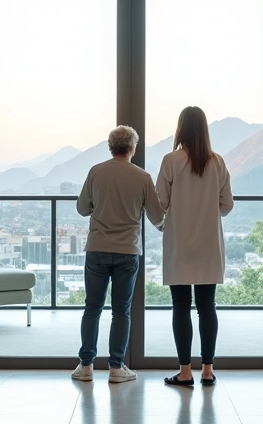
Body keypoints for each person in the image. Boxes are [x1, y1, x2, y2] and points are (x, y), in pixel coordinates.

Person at [72, 125, 164, 383]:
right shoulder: (143, 177)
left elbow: (82, 208)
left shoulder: (96, 172)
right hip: (127, 251)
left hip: (97, 248)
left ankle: (86, 366)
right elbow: (158, 217)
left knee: (92, 307)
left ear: (111, 147)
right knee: (121, 310)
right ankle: (116, 367)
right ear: (133, 148)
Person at [156, 106, 234, 387]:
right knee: (207, 307)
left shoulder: (170, 160)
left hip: (179, 244)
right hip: (208, 245)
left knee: (180, 306)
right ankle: (208, 370)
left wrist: (167, 220)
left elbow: (160, 202)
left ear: (181, 129)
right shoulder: (217, 162)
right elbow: (227, 205)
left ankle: (185, 371)